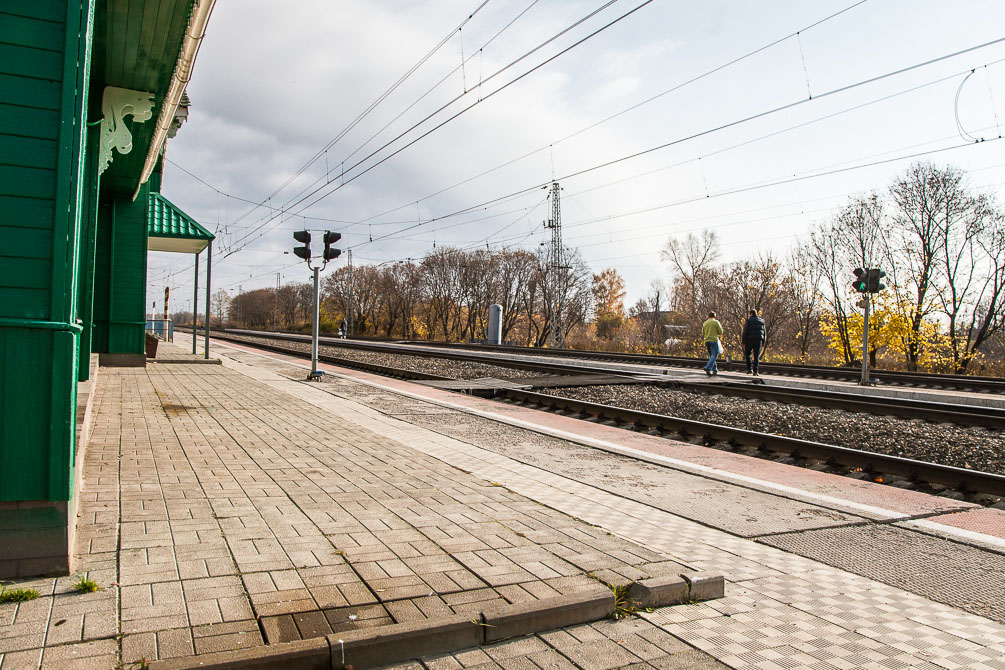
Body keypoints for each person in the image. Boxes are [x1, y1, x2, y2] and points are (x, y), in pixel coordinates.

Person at [741, 308, 766, 376]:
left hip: (750, 340)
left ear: (751, 314)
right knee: (756, 356)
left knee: (748, 354)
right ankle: (756, 371)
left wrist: (743, 341)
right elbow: (764, 333)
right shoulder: (761, 321)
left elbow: (745, 331)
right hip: (758, 340)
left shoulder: (749, 321)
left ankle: (749, 369)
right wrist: (763, 342)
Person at [701, 311, 723, 376]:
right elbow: (721, 332)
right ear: (714, 316)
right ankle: (707, 367)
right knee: (714, 355)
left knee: (711, 356)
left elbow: (703, 333)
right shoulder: (716, 322)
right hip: (714, 340)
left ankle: (714, 370)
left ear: (708, 316)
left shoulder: (705, 323)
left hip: (707, 341)